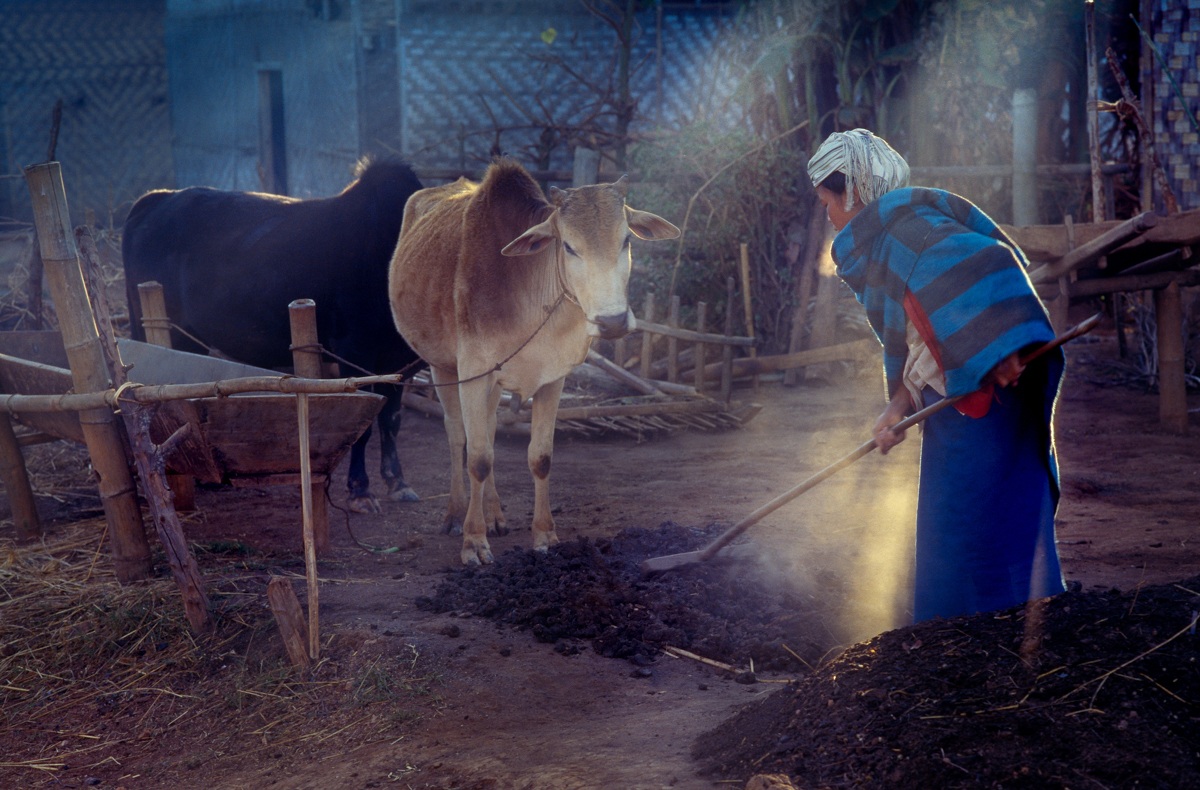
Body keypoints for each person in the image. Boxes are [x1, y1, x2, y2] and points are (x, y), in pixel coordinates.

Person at [806, 128, 1066, 623]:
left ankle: (1007, 635)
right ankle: (964, 638)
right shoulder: (884, 246)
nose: (828, 215)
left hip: (985, 408)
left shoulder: (911, 232)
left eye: (827, 202)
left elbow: (990, 263)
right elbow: (919, 342)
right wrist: (895, 409)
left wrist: (1000, 346)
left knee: (987, 526)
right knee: (954, 534)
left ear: (852, 192)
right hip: (951, 413)